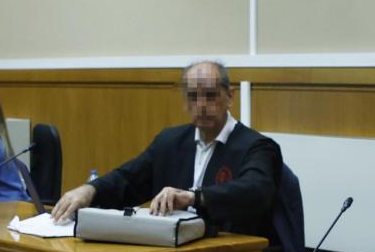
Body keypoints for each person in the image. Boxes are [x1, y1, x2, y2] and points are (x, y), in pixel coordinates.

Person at [50, 60, 280, 241]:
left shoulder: (257, 146)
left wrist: (193, 197)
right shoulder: (170, 142)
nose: (201, 105)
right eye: (193, 97)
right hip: (171, 250)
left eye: (210, 95)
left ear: (230, 97)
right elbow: (128, 179)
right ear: (185, 102)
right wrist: (90, 190)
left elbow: (256, 192)